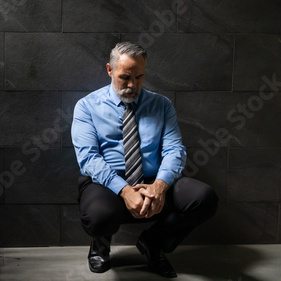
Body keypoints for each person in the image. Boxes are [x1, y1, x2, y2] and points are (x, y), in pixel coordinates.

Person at [71, 41, 218, 278]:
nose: (132, 85)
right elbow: (88, 158)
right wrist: (125, 190)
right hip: (108, 183)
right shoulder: (87, 107)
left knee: (204, 198)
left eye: (139, 77)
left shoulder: (161, 105)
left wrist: (160, 186)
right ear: (110, 70)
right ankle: (100, 245)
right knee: (98, 217)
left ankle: (153, 243)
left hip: (153, 179)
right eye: (125, 77)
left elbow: (174, 150)